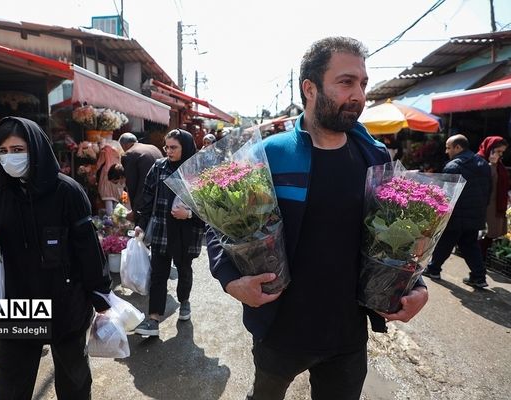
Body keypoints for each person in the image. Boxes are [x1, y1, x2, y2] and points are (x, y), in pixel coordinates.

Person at [206, 37, 429, 400]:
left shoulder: (374, 157)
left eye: (362, 83)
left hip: (347, 334)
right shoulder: (269, 155)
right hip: (280, 328)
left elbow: (404, 239)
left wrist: (416, 287)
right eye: (346, 82)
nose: (358, 94)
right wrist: (231, 281)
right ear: (309, 88)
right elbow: (218, 227)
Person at [0, 117, 111, 400]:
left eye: (17, 149)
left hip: (66, 302)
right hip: (20, 303)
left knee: (73, 380)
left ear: (35, 148)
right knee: (11, 383)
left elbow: (88, 248)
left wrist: (100, 294)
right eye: (3, 151)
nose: (9, 157)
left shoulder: (67, 191)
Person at [133, 129, 205, 337]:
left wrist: (190, 214)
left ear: (186, 147)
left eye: (174, 147)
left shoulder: (197, 170)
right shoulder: (159, 167)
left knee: (184, 269)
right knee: (158, 274)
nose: (168, 151)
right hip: (162, 229)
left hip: (187, 232)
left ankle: (184, 301)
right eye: (167, 147)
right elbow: (147, 197)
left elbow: (211, 206)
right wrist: (141, 223)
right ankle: (153, 318)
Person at [423, 134, 492, 288]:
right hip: (476, 214)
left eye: (448, 147)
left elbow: (445, 195)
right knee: (470, 244)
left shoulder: (453, 166)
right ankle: (479, 277)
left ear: (458, 147)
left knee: (445, 242)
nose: (446, 151)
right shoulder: (483, 164)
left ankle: (433, 269)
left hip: (456, 215)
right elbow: (489, 190)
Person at [118, 132, 163, 224]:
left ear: (124, 145)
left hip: (145, 200)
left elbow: (132, 185)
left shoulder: (129, 154)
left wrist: (135, 211)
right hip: (161, 195)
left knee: (142, 233)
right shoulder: (153, 147)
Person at [477, 136, 510, 258]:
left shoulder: (498, 165)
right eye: (498, 151)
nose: (501, 155)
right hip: (485, 206)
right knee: (484, 235)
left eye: (502, 152)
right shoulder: (480, 161)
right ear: (490, 149)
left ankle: (481, 260)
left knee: (490, 235)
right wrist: (491, 164)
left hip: (496, 206)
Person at [95, 140, 123, 215]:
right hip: (117, 173)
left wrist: (96, 171)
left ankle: (110, 219)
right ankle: (117, 218)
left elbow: (99, 163)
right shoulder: (118, 150)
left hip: (107, 175)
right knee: (116, 198)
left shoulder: (104, 150)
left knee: (108, 197)